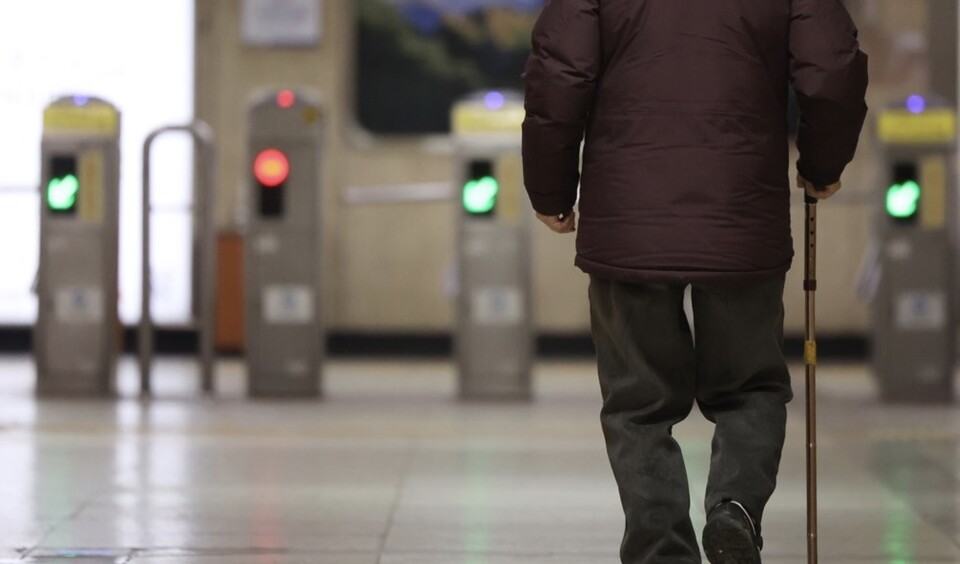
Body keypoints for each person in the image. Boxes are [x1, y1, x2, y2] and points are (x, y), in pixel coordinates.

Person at [521, 0, 868, 563]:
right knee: (749, 386)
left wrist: (551, 189)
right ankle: (736, 507)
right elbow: (831, 69)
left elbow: (559, 76)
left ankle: (660, 550)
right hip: (740, 215)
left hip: (629, 220)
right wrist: (822, 163)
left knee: (638, 404)